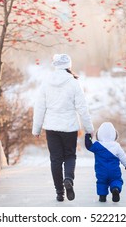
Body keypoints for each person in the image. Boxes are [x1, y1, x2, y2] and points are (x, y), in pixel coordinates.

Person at [32, 53, 94, 202]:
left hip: (51, 128)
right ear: (69, 66)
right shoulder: (74, 82)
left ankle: (59, 193)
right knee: (70, 156)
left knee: (55, 160)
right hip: (69, 127)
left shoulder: (46, 82)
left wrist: (37, 128)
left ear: (55, 65)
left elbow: (40, 106)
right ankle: (68, 179)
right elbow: (82, 108)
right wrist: (89, 128)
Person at [85, 122, 126, 202]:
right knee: (116, 180)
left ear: (99, 135)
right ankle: (115, 189)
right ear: (115, 135)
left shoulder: (97, 145)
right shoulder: (116, 146)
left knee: (101, 183)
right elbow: (123, 156)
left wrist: (88, 136)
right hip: (114, 171)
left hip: (101, 171)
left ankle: (102, 197)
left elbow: (88, 146)